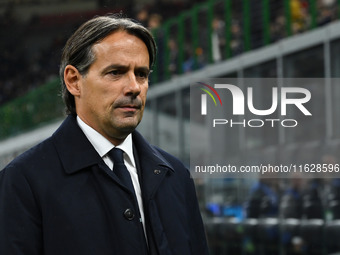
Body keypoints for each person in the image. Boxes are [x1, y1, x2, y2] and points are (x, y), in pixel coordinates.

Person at [0, 15, 209, 255]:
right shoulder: (23, 181)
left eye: (141, 74)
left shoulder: (176, 175)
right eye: (116, 73)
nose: (134, 87)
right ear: (74, 81)